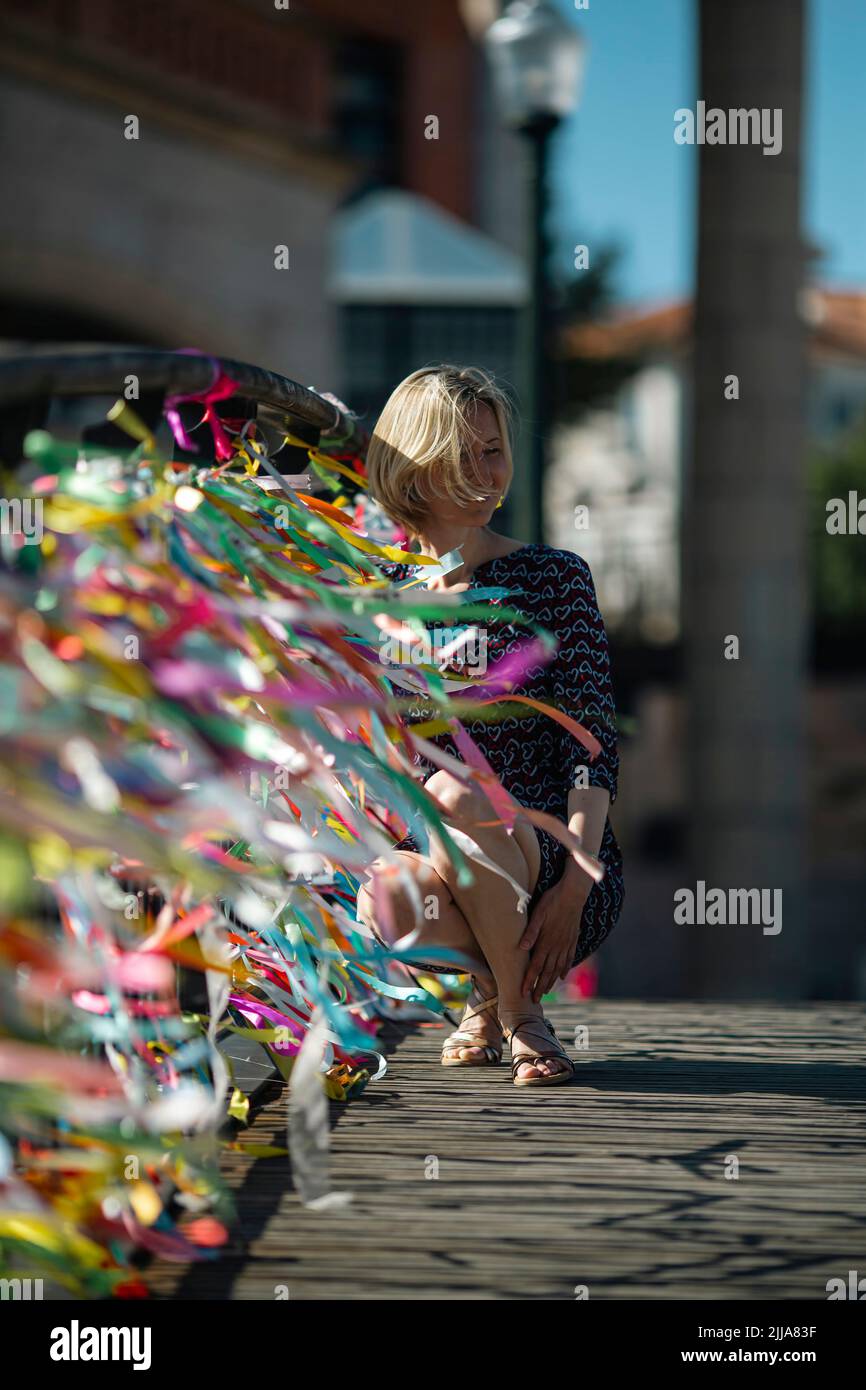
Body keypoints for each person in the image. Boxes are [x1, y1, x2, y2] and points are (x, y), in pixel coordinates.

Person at [356, 365, 623, 1088]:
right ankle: (501, 994)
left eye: (494, 450)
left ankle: (518, 1017)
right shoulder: (370, 598)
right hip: (440, 870)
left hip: (558, 862)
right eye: (460, 454)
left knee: (452, 792)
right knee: (383, 895)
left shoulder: (554, 577)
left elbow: (591, 749)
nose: (484, 472)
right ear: (412, 466)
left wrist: (575, 885)